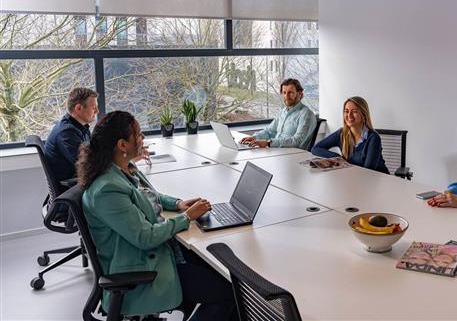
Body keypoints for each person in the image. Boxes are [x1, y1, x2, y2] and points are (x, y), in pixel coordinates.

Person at [78, 111, 235, 319]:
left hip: (160, 252)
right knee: (230, 293)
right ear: (122, 145)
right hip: (143, 265)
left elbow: (149, 195)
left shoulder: (123, 169)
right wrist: (187, 217)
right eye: (139, 134)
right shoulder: (107, 189)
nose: (142, 139)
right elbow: (146, 238)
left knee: (222, 270)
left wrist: (178, 204)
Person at [312, 96, 389, 174]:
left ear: (364, 114)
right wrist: (337, 157)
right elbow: (316, 148)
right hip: (355, 178)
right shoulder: (342, 133)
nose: (349, 115)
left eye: (354, 111)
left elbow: (368, 171)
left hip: (378, 180)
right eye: (346, 111)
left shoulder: (373, 138)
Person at [240, 78, 317, 150]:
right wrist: (254, 137)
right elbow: (270, 131)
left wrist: (269, 143)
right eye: (284, 93)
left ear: (299, 94)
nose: (286, 96)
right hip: (276, 150)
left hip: (292, 154)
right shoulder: (283, 112)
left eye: (290, 93)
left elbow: (297, 141)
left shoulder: (306, 114)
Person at [45, 87, 98, 188]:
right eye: (94, 108)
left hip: (81, 182)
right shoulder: (66, 132)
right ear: (78, 108)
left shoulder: (80, 128)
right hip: (73, 188)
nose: (97, 111)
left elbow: (93, 152)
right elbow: (88, 164)